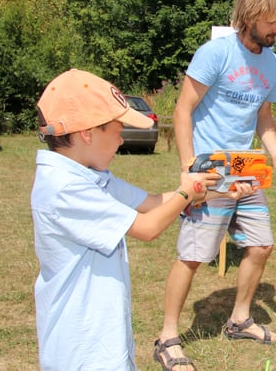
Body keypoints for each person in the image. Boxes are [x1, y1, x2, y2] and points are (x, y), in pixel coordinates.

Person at [31, 69, 254, 371]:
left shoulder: (90, 176)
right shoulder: (65, 186)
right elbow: (148, 227)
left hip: (102, 336)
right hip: (80, 347)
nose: (121, 140)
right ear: (87, 133)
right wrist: (187, 193)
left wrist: (219, 191)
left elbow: (152, 203)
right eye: (117, 129)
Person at [154, 0, 276, 370]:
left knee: (262, 245)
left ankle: (240, 319)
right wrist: (189, 167)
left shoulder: (273, 63)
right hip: (209, 172)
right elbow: (183, 110)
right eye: (271, 23)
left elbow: (263, 118)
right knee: (194, 255)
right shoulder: (215, 53)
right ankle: (167, 337)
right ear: (249, 18)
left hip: (246, 170)